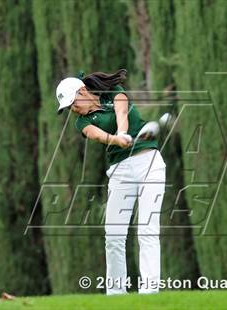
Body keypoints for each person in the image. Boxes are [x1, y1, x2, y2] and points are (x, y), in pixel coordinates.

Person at [55, 69, 166, 295]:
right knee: (114, 236)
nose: (73, 110)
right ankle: (116, 294)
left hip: (150, 164)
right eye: (68, 109)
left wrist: (123, 132)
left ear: (83, 91)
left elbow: (121, 113)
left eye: (73, 104)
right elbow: (97, 135)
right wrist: (116, 139)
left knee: (147, 229)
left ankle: (150, 291)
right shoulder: (82, 122)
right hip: (120, 171)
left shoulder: (115, 91)